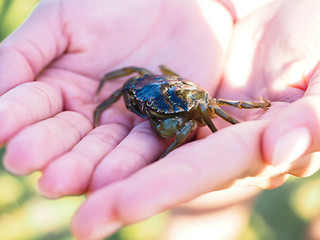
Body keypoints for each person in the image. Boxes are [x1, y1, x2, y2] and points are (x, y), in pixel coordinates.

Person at [1, 0, 320, 239]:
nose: (138, 106)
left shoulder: (196, 107)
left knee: (224, 141)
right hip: (168, 79)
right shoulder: (145, 79)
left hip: (196, 97)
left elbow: (218, 112)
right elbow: (133, 81)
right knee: (216, 181)